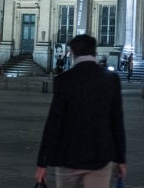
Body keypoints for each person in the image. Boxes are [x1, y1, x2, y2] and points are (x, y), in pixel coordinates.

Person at [35, 34, 126, 188]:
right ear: (95, 52)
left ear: (72, 53)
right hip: (100, 156)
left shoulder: (63, 80)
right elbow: (117, 122)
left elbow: (54, 123)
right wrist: (120, 159)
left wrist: (42, 163)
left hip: (68, 157)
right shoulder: (111, 80)